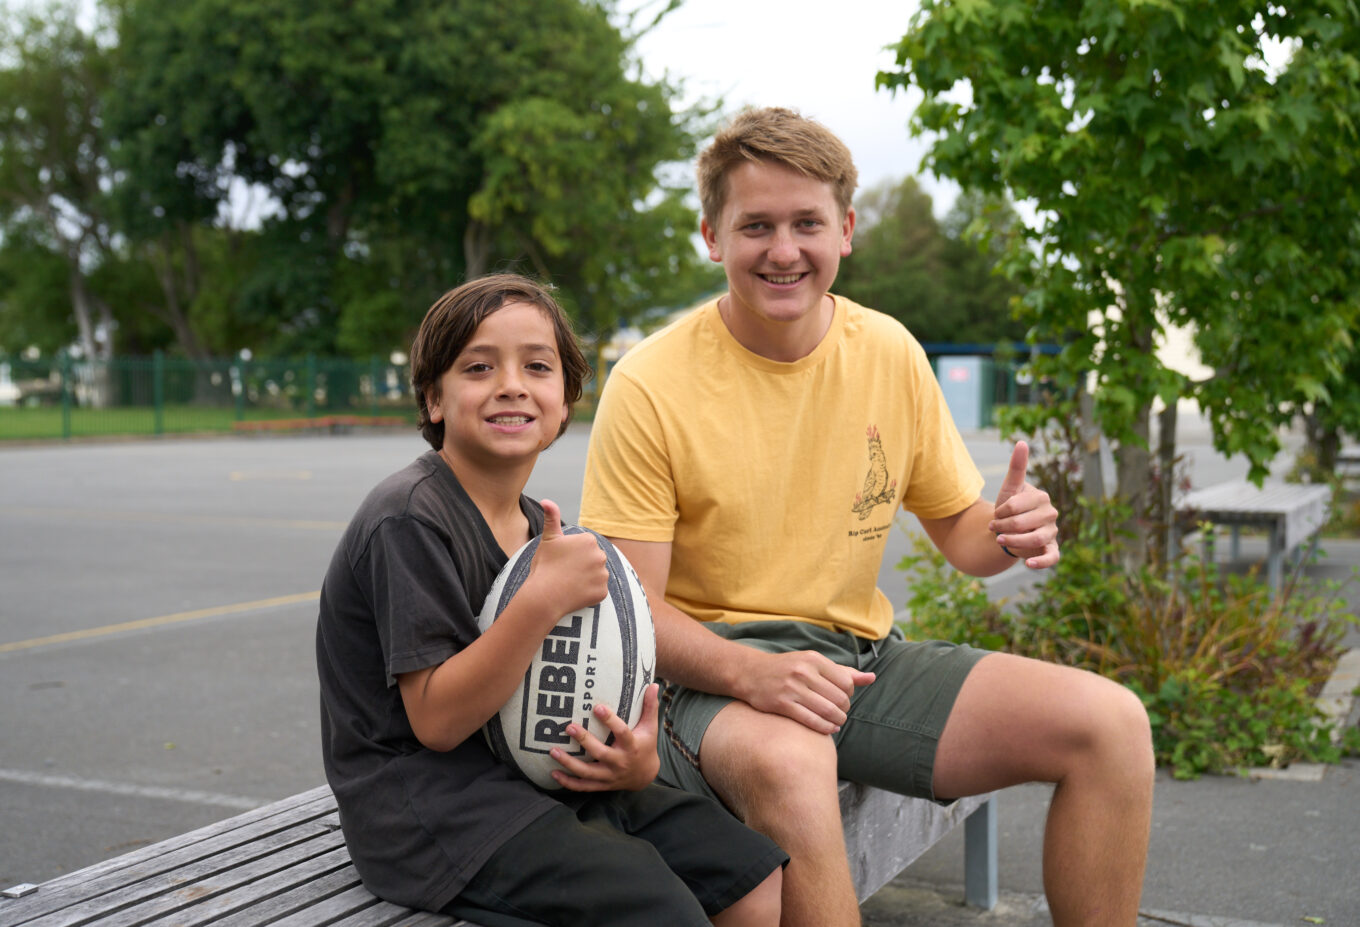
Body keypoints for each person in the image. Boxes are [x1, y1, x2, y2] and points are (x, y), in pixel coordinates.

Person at [580, 108, 1155, 927]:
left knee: (1111, 723)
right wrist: (753, 674)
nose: (784, 249)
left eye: (807, 223)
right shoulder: (650, 383)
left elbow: (963, 531)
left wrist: (1009, 528)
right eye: (757, 226)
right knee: (791, 761)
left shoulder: (887, 349)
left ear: (845, 230)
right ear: (712, 236)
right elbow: (637, 612)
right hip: (704, 683)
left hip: (854, 663)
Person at [316, 273, 786, 927]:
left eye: (537, 366)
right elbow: (436, 720)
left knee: (750, 876)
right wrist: (538, 604)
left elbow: (577, 680)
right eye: (478, 367)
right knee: (660, 909)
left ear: (565, 401)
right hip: (426, 810)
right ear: (433, 400)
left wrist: (633, 757)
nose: (511, 383)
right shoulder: (410, 518)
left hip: (529, 775)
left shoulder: (542, 528)